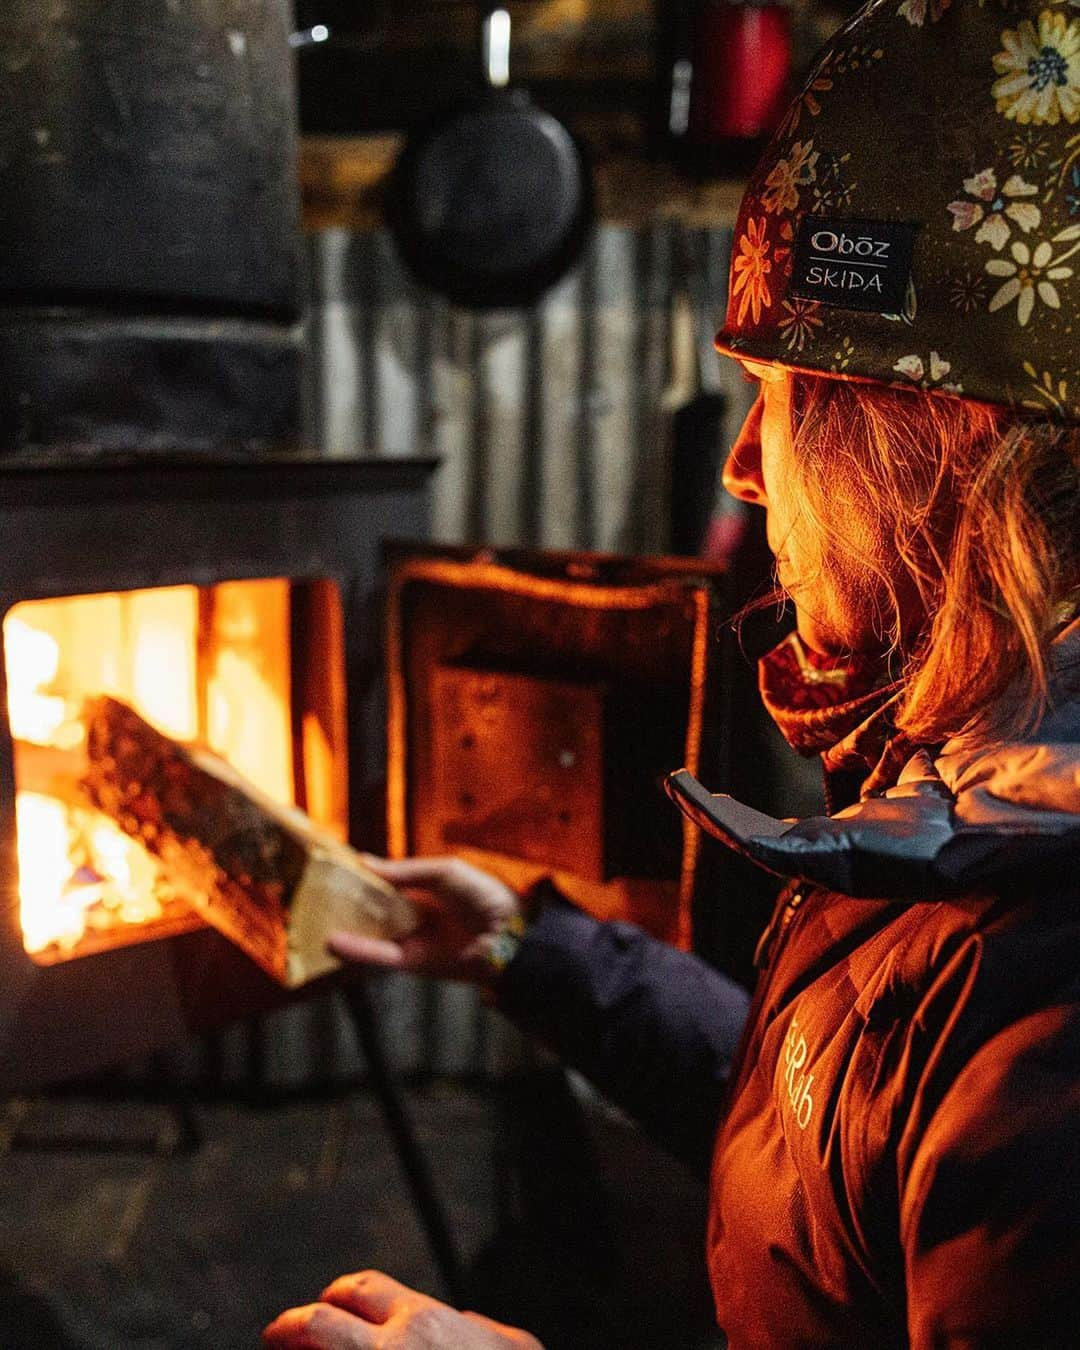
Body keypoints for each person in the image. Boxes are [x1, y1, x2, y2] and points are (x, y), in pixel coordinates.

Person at [264, 0, 1080, 1345]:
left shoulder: (1052, 990)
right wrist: (534, 950)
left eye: (786, 392)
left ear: (940, 442)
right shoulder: (975, 789)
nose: (743, 461)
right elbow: (832, 1140)